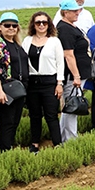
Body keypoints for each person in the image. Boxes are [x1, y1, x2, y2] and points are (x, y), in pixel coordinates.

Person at [22, 11, 64, 152]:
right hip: (32, 82)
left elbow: (60, 64)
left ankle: (57, 144)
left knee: (51, 115)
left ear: (49, 24)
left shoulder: (54, 41)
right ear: (33, 24)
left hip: (49, 82)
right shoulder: (27, 40)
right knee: (34, 115)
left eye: (44, 22)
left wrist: (59, 83)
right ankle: (34, 144)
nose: (41, 25)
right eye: (38, 22)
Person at [0, 12, 29, 152]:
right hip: (6, 90)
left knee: (14, 122)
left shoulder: (17, 43)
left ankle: (8, 149)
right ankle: (5, 152)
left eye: (14, 25)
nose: (11, 28)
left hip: (18, 89)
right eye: (7, 25)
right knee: (6, 122)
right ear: (0, 27)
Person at [56, 0, 91, 142]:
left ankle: (65, 137)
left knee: (71, 106)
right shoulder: (65, 29)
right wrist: (76, 76)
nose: (77, 12)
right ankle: (70, 139)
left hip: (78, 73)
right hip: (72, 75)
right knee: (72, 106)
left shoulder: (71, 26)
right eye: (74, 11)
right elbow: (68, 55)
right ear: (65, 12)